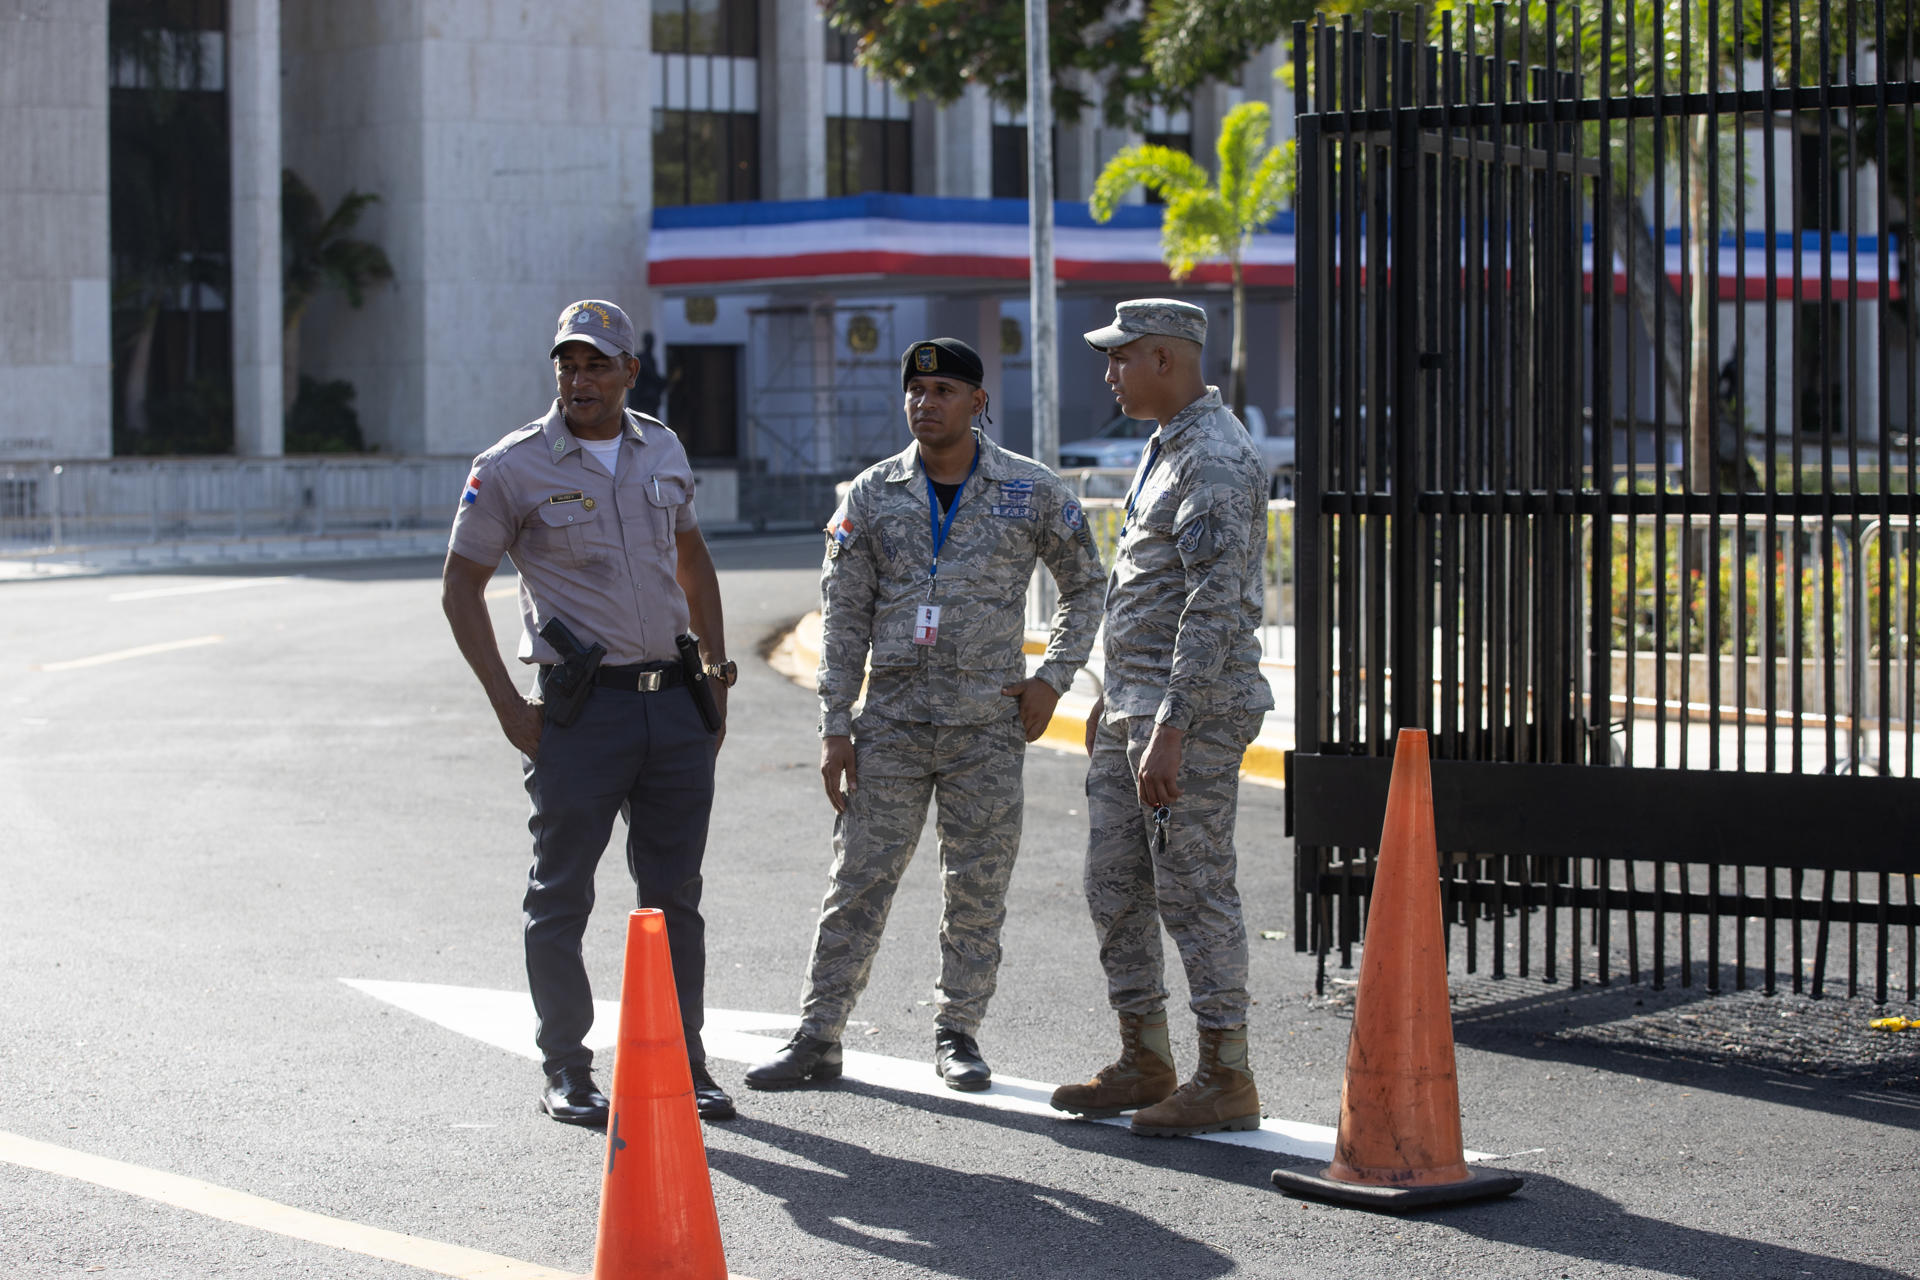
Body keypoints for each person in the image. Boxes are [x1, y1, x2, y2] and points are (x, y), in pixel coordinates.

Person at [745, 337, 1106, 1094]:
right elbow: (842, 619)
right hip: (894, 725)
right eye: (915, 390)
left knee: (976, 886)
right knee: (858, 882)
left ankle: (959, 1033)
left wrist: (1054, 678)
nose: (925, 403)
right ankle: (819, 1034)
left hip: (988, 726)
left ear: (978, 403)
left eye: (943, 390)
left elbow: (1086, 586)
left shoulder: (1029, 491)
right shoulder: (871, 495)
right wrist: (835, 725)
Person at [442, 299, 737, 1125]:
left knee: (674, 894)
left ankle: (687, 1061)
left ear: (629, 373)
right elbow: (460, 585)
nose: (580, 377)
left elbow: (691, 554)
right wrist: (507, 702)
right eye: (568, 364)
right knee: (562, 895)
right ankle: (568, 1068)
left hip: (674, 708)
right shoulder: (511, 466)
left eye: (598, 363)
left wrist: (714, 671)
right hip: (581, 715)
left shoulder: (664, 447)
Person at [1050, 298, 1274, 1137]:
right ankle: (1145, 1054)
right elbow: (1146, 589)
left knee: (1194, 889)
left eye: (1121, 358)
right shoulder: (1168, 446)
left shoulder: (1216, 458)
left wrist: (1173, 723)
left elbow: (1215, 607)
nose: (1109, 373)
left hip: (1193, 714)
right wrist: (1115, 696)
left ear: (1167, 360)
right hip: (1134, 707)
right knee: (1113, 885)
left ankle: (1226, 1075)